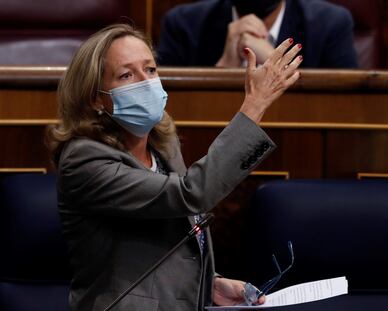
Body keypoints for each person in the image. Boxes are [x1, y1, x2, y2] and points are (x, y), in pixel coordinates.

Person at [47, 23, 302, 311]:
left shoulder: (163, 144)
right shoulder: (84, 161)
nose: (146, 82)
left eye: (151, 70)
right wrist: (254, 105)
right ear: (96, 98)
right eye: (127, 75)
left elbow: (171, 238)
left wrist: (210, 284)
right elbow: (192, 194)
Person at [157, 0, 358, 68]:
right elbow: (169, 116)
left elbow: (343, 109)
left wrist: (275, 62)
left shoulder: (330, 25)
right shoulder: (182, 25)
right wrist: (224, 69)